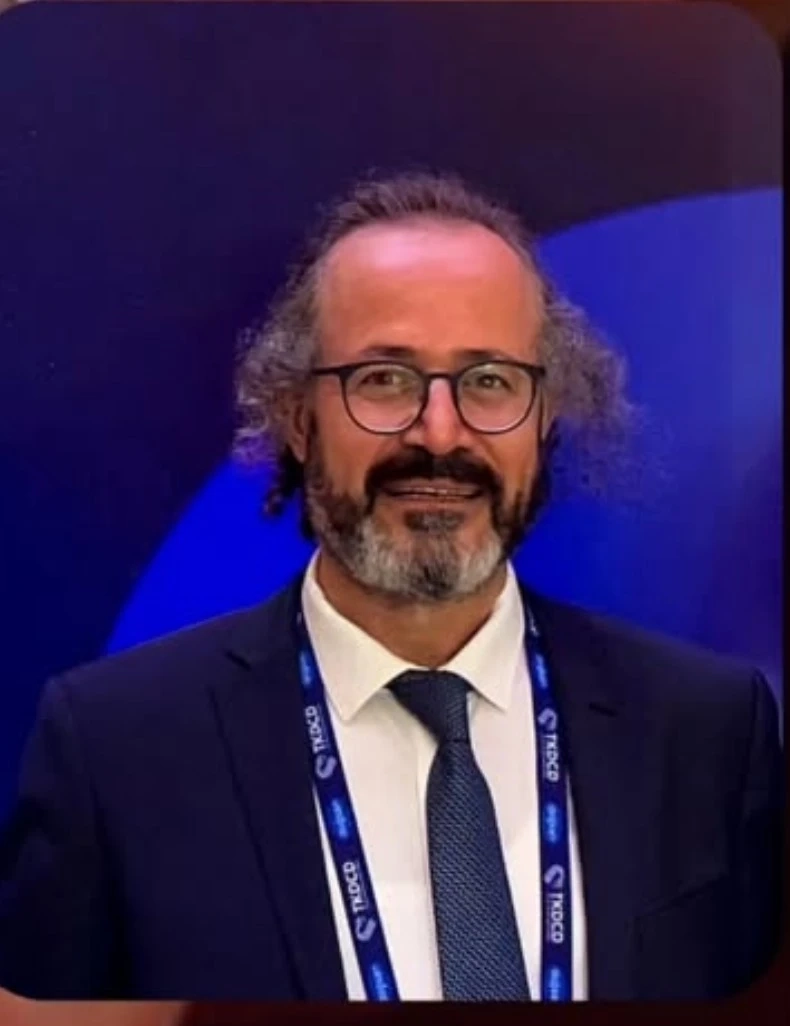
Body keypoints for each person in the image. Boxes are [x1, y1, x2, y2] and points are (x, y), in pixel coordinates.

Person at [0, 173, 781, 1002]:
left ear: (545, 416)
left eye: (489, 381)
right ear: (296, 416)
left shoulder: (706, 733)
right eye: (384, 379)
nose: (439, 434)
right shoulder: (115, 751)